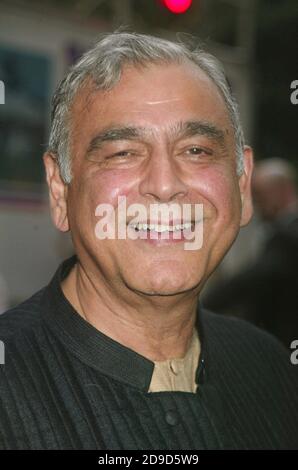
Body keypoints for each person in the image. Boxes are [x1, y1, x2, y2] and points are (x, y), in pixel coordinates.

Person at [0, 32, 297, 450]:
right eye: (122, 152)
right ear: (60, 191)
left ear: (242, 184)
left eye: (196, 150)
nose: (164, 185)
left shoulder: (269, 367)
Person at [204, 158, 298, 347]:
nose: (257, 205)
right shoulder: (281, 232)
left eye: (260, 196)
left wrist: (204, 305)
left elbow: (254, 279)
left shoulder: (289, 234)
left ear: (281, 191)